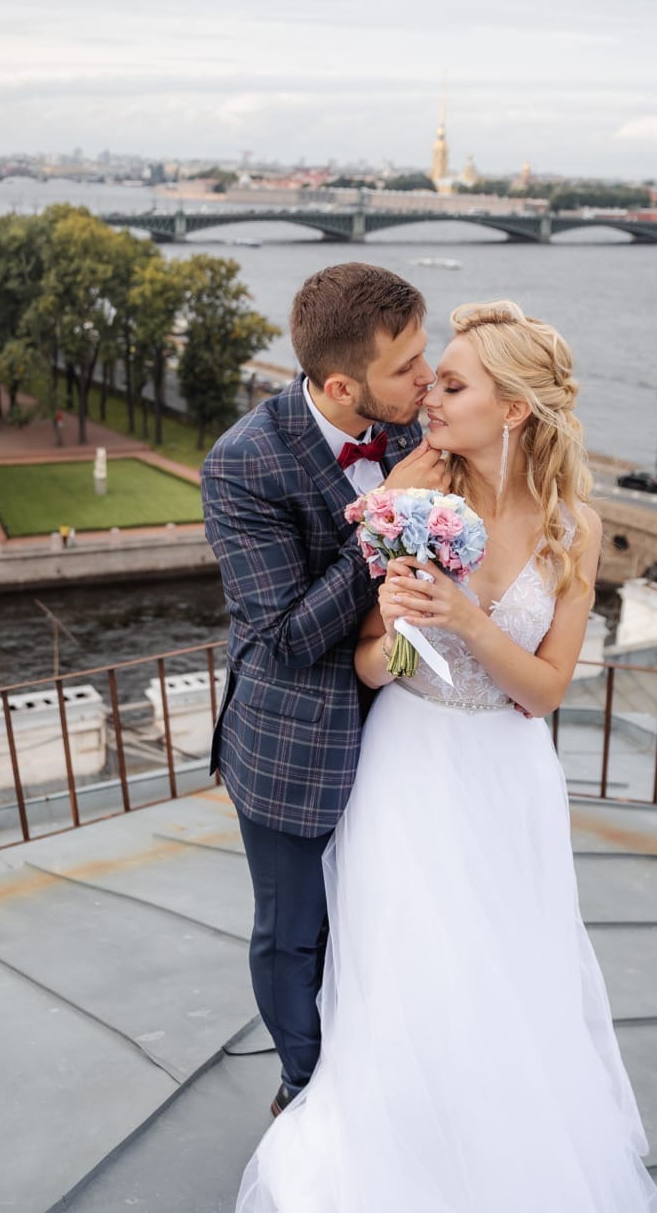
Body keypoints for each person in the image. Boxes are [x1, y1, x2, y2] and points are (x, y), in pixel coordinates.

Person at [236, 302, 657, 1212]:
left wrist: (465, 618)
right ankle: (402, 1144)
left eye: (452, 382)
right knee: (408, 969)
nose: (428, 395)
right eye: (431, 376)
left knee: (506, 967)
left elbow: (544, 690)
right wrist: (392, 632)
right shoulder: (415, 499)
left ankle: (498, 1143)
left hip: (507, 776)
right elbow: (362, 659)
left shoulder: (573, 528)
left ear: (512, 409)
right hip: (406, 764)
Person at [201, 263, 449, 1118]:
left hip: (406, 724)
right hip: (293, 742)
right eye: (409, 366)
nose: (430, 377)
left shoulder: (412, 431)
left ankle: (378, 1050)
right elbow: (287, 637)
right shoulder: (242, 465)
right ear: (342, 386)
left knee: (383, 911)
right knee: (294, 930)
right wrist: (387, 510)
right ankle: (305, 1086)